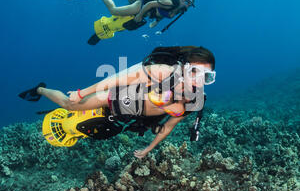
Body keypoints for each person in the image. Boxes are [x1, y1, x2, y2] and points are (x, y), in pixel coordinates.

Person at [19, 46, 215, 158]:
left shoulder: (195, 101)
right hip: (116, 98)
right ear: (183, 67)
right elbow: (117, 79)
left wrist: (149, 148)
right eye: (194, 72)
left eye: (206, 77)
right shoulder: (163, 73)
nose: (198, 80)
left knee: (95, 131)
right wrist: (82, 93)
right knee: (69, 105)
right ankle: (40, 89)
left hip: (130, 118)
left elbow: (169, 126)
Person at [65, 0, 195, 44]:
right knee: (114, 11)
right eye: (187, 1)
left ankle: (104, 30)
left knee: (124, 26)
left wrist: (156, 21)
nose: (187, 5)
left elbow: (162, 11)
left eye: (190, 4)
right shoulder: (171, 1)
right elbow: (150, 5)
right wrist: (139, 16)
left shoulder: (178, 9)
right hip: (140, 5)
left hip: (144, 12)